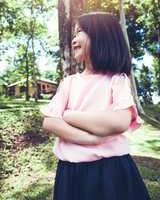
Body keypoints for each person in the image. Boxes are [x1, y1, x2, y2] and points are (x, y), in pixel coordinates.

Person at [40, 12, 151, 200]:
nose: (74, 38)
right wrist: (91, 140)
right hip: (70, 172)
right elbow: (50, 123)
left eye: (80, 32)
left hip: (111, 170)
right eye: (74, 34)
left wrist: (67, 115)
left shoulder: (117, 81)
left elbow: (121, 121)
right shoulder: (69, 83)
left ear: (102, 36)